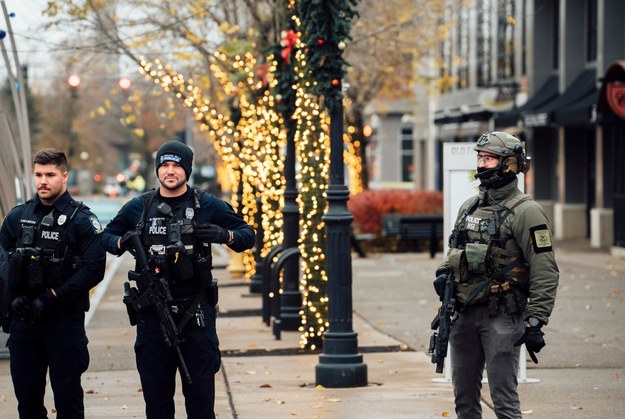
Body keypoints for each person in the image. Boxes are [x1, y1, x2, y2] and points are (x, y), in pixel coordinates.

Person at [101, 140, 255, 419]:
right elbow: (106, 238)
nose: (170, 171)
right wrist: (124, 242)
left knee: (200, 401)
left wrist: (225, 235)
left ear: (187, 170)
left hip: (196, 315)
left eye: (176, 166)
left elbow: (248, 235)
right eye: (165, 165)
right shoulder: (140, 206)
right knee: (157, 402)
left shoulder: (206, 204)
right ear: (158, 170)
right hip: (152, 316)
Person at [433, 132, 559, 419]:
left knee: (504, 402)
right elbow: (454, 249)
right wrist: (442, 274)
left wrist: (536, 319)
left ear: (510, 165)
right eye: (479, 157)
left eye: (488, 158)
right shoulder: (470, 207)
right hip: (463, 314)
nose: (481, 164)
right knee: (464, 401)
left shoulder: (527, 212)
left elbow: (545, 269)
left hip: (503, 316)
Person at [0, 148, 106, 418]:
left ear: (64, 176)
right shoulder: (17, 217)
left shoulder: (82, 220)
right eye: (38, 175)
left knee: (68, 403)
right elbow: (2, 262)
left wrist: (53, 295)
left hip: (63, 325)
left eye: (50, 174)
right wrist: (11, 301)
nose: (43, 181)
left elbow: (94, 269)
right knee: (28, 403)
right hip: (24, 325)